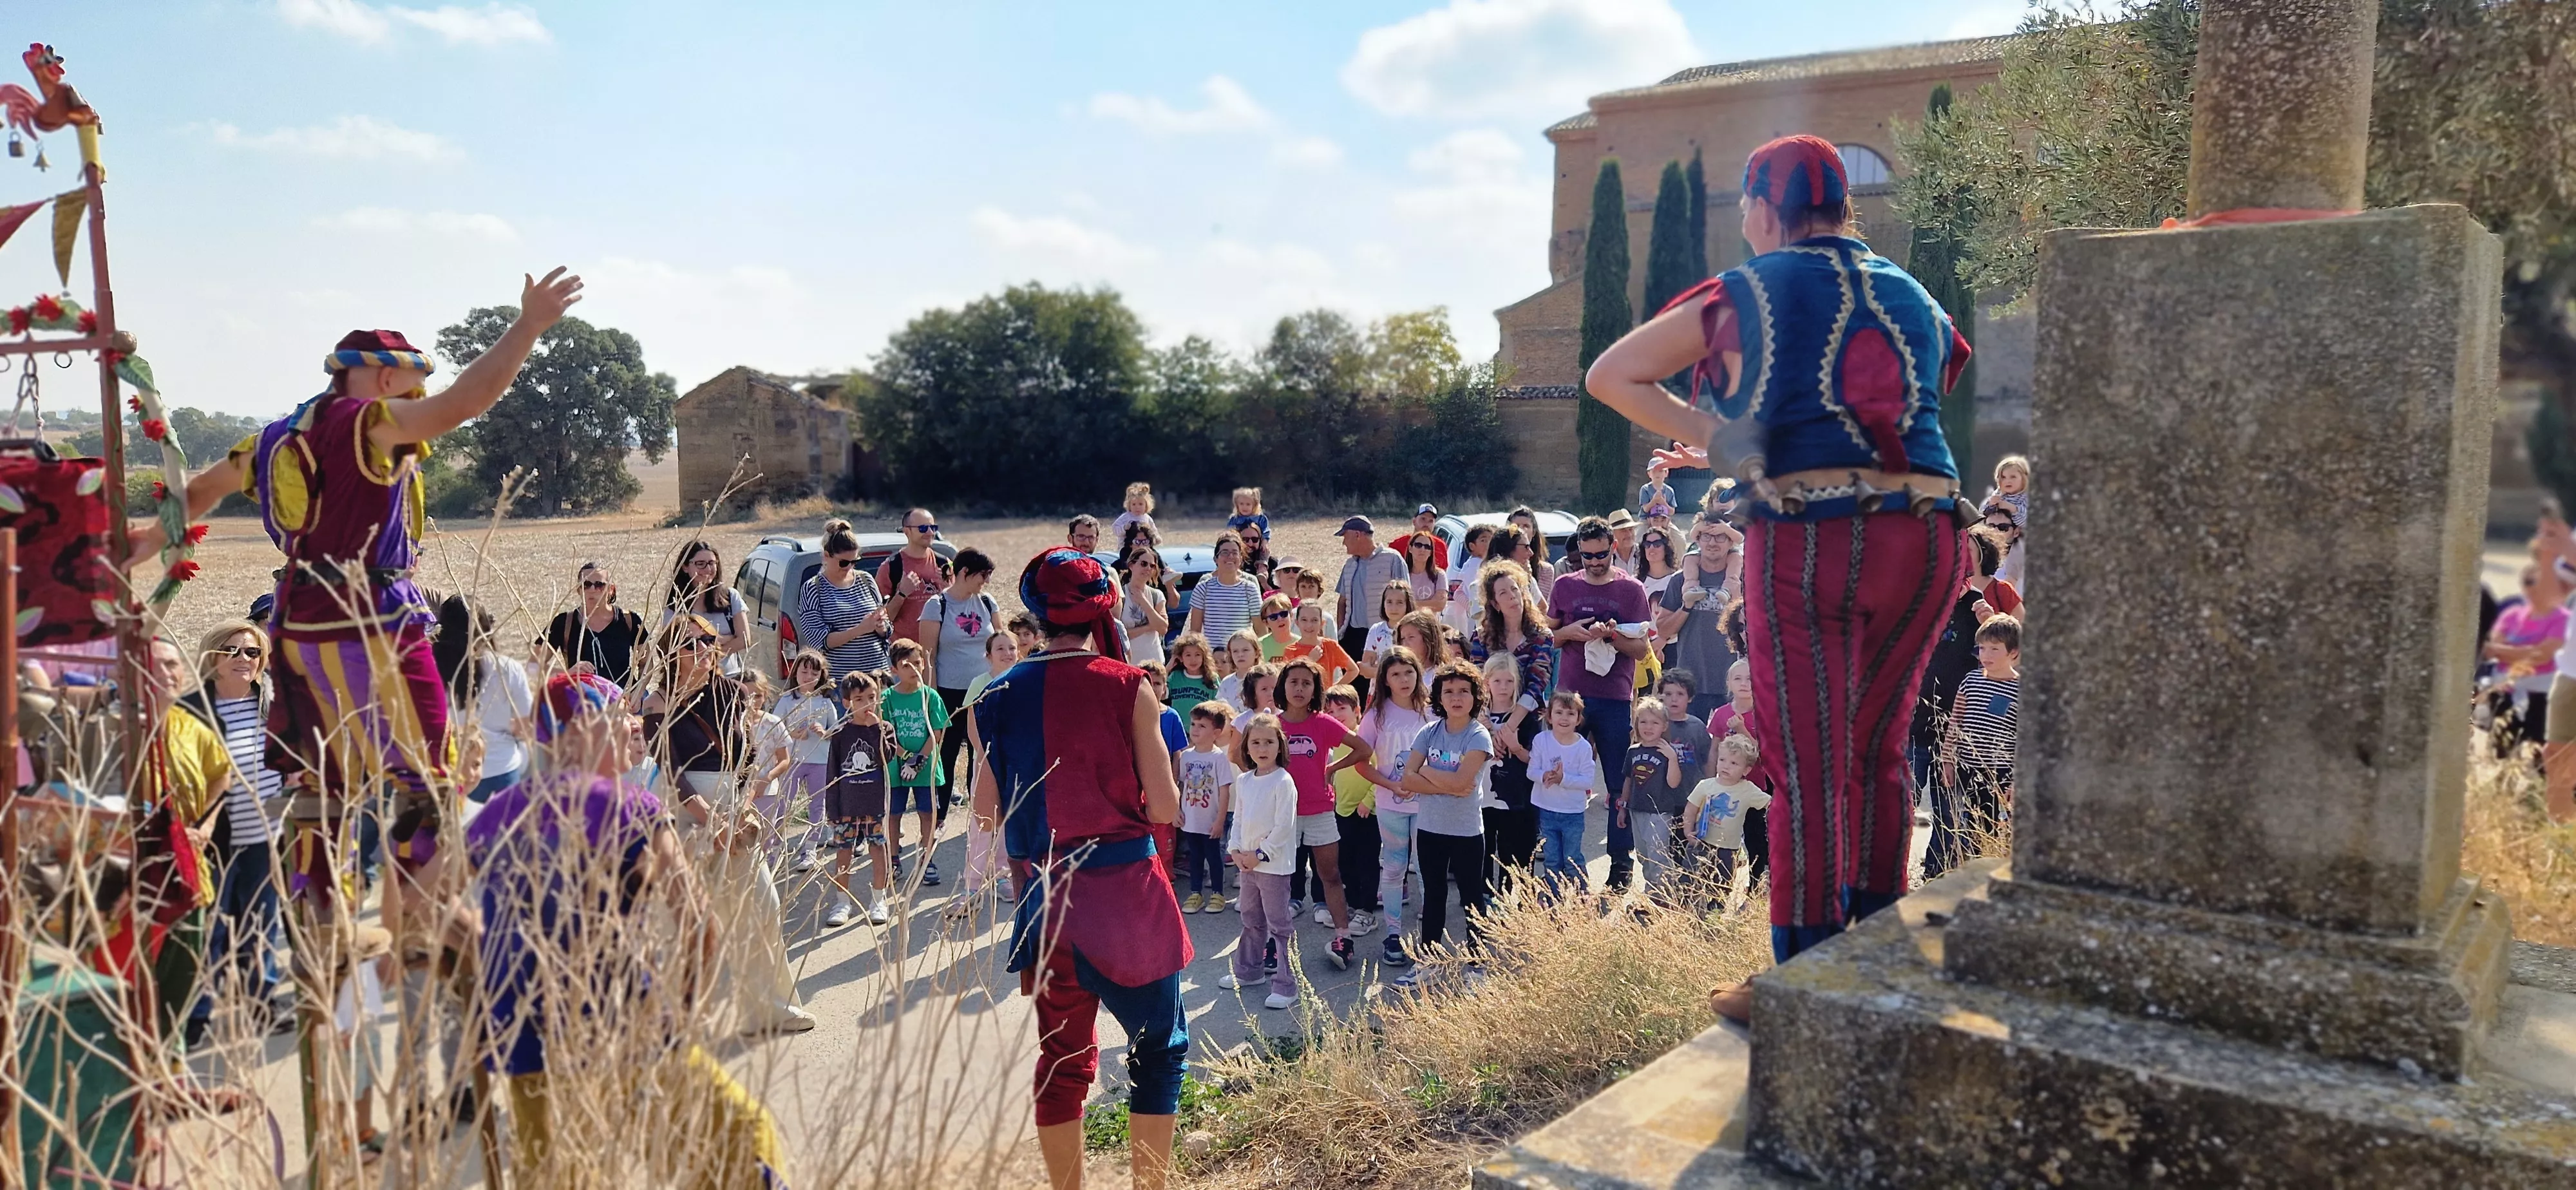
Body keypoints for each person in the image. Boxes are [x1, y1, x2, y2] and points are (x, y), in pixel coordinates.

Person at [1586, 135, 1973, 979]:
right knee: (1877, 753)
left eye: (1747, 213)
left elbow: (1613, 375)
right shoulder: (1912, 292)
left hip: (1812, 535)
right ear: (1844, 209)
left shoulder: (1754, 285)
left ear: (1764, 209)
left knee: (1805, 766)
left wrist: (1721, 437)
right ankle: (1876, 956)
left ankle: (1805, 978)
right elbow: (1911, 391)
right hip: (1930, 533)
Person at [134, 271, 583, 946]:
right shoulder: (370, 424)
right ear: (383, 379)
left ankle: (325, 924)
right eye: (411, 387)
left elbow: (199, 492)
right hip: (373, 622)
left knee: (321, 782)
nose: (416, 401)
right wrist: (528, 326)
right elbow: (467, 402)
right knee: (427, 780)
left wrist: (144, 543)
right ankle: (432, 924)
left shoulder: (274, 438)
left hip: (296, 626)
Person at [469, 671, 787, 1186]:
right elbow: (698, 924)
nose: (633, 727)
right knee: (744, 1139)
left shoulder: (493, 818)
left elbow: (443, 916)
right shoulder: (631, 808)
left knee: (553, 1173)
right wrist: (681, 1017)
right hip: (621, 1024)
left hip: (523, 1041)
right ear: (579, 730)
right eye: (619, 717)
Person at [971, 548, 1188, 1190]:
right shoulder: (1127, 685)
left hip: (1046, 899)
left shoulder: (997, 694)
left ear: (1036, 613)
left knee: (1063, 1062)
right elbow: (1166, 806)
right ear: (1101, 608)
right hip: (1127, 900)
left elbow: (984, 812)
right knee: (1159, 1052)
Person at [639, 616, 816, 1035]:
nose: (702, 650)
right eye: (690, 644)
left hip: (733, 811)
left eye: (707, 641)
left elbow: (746, 756)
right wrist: (710, 819)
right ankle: (670, 1019)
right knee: (682, 921)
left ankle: (769, 1009)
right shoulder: (657, 702)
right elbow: (669, 768)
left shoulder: (732, 693)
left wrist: (744, 805)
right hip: (685, 813)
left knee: (762, 907)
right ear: (672, 653)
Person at [178, 621, 284, 1041]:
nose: (244, 659)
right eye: (233, 651)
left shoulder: (273, 703)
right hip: (212, 841)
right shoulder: (191, 710)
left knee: (261, 924)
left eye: (252, 652)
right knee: (211, 929)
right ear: (213, 658)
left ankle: (260, 1004)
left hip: (265, 837)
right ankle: (198, 1015)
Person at [1549, 517, 1654, 892]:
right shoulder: (1564, 585)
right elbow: (1548, 636)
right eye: (1586, 556)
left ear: (1613, 548)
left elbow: (1642, 649)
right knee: (1559, 778)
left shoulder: (1632, 589)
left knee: (1617, 784)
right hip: (1570, 699)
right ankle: (1558, 861)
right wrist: (1571, 633)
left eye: (1600, 555)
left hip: (1613, 698)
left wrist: (1611, 637)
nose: (1594, 562)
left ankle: (1621, 865)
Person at [1274, 657, 1372, 970]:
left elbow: (1363, 749)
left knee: (1330, 874)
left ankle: (1343, 938)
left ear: (1316, 689)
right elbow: (1242, 754)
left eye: (1307, 683)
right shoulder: (1273, 724)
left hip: (1319, 810)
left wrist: (1333, 767)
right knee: (1277, 880)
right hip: (1283, 814)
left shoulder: (1323, 723)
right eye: (1294, 682)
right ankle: (1273, 943)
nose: (1300, 688)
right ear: (1283, 686)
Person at [1396, 661, 1495, 970]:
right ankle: (1428, 961)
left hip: (1466, 832)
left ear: (1475, 696)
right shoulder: (1429, 732)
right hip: (1430, 828)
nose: (1456, 698)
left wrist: (1426, 772)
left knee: (1471, 898)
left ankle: (1477, 964)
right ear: (1439, 697)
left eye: (1464, 691)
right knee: (1434, 895)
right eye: (1449, 691)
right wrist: (1445, 782)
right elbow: (1408, 779)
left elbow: (1463, 782)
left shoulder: (1478, 736)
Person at [1912, 526, 2015, 799]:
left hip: (1954, 729)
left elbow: (1996, 652)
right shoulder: (1918, 598)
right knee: (1902, 804)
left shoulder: (1974, 601)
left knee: (1948, 813)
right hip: (1914, 724)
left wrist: (1988, 622)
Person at [1219, 713, 1300, 1011]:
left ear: (1280, 745)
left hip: (1273, 867)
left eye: (1269, 742)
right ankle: (1249, 971)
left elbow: (1283, 827)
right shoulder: (1244, 781)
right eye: (1255, 742)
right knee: (1251, 918)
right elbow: (1239, 819)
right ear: (1247, 747)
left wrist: (1260, 854)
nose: (1262, 748)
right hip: (1247, 865)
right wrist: (1236, 850)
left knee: (1279, 924)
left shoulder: (1284, 781)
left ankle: (1287, 984)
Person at [1933, 614, 2022, 880]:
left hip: (1998, 774)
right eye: (1982, 648)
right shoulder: (1971, 680)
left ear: (2013, 653)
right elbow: (1955, 722)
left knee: (1988, 829)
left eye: (1995, 649)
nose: (1986, 655)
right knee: (1957, 826)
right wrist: (1947, 760)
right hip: (1965, 767)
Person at [1358, 648, 1430, 960]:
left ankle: (1430, 934)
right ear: (1385, 680)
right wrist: (1390, 784)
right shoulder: (1376, 716)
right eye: (1396, 674)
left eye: (1409, 672)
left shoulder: (1432, 711)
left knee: (1427, 867)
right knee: (1394, 867)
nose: (1404, 680)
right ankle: (1393, 935)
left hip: (1428, 805)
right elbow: (1361, 763)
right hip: (1391, 804)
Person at [919, 547, 998, 824]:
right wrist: (931, 699)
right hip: (949, 693)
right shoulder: (937, 605)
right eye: (983, 575)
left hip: (985, 692)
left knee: (982, 754)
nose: (986, 582)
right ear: (965, 572)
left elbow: (1000, 645)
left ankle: (980, 815)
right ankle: (938, 818)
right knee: (947, 754)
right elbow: (928, 657)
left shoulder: (987, 603)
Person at [439, 594, 535, 805]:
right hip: (502, 768)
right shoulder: (508, 669)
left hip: (450, 769)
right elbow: (527, 725)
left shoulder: (432, 670)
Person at [821, 671, 894, 927]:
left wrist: (875, 729)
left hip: (875, 803)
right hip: (847, 805)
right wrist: (832, 809)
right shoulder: (841, 732)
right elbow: (832, 772)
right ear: (847, 703)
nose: (867, 704)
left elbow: (887, 757)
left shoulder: (885, 728)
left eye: (872, 697)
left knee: (878, 849)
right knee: (844, 851)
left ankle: (879, 900)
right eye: (860, 699)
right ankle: (843, 902)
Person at [880, 638, 951, 887]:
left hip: (926, 767)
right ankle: (893, 860)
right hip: (896, 768)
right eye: (906, 665)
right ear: (894, 669)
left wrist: (919, 759)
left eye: (917, 663)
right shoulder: (887, 698)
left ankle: (926, 859)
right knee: (894, 814)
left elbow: (937, 731)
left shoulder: (931, 696)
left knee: (928, 813)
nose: (914, 669)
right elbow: (885, 733)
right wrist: (905, 757)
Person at [795, 519, 895, 681]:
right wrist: (860, 629)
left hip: (878, 677)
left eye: (854, 562)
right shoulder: (813, 589)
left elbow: (887, 630)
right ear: (826, 556)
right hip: (841, 682)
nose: (849, 567)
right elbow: (818, 641)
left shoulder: (866, 580)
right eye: (843, 562)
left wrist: (881, 626)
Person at [2487, 562, 2566, 750]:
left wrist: (2509, 651)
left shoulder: (2563, 618)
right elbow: (2491, 650)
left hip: (2541, 691)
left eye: (2540, 583)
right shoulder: (2510, 615)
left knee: (2539, 746)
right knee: (2502, 746)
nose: (2533, 588)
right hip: (2505, 688)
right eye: (2528, 582)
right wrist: (2530, 651)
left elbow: (2544, 655)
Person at [1526, 692, 1598, 896]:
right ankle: (1554, 898)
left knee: (1572, 858)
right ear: (1549, 717)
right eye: (1559, 713)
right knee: (1552, 859)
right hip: (1546, 810)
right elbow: (1531, 771)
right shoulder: (1542, 740)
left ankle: (1582, 897)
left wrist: (1562, 779)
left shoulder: (1583, 747)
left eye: (1570, 713)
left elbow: (1587, 781)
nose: (1564, 718)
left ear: (1579, 719)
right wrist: (1544, 775)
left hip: (1573, 813)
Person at [1323, 685, 1381, 938]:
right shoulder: (1332, 742)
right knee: (1345, 862)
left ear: (1357, 710)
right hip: (1341, 811)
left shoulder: (1365, 738)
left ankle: (1367, 911)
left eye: (1342, 709)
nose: (1337, 715)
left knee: (1367, 863)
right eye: (1331, 711)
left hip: (1368, 813)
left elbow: (1381, 772)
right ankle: (1355, 906)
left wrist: (1369, 801)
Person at [1685, 734, 1772, 902]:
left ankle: (1715, 913)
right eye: (1722, 760)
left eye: (1734, 763)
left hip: (1728, 850)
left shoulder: (1748, 790)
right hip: (1701, 843)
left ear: (1746, 770)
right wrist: (1688, 832)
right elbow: (1691, 809)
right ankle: (1692, 912)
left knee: (1721, 888)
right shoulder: (1706, 785)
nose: (1726, 766)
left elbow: (1770, 804)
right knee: (1691, 883)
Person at [774, 653, 840, 873]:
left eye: (814, 672)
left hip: (820, 761)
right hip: (792, 761)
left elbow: (836, 731)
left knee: (818, 804)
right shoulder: (787, 700)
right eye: (804, 671)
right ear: (795, 673)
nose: (809, 676)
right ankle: (775, 848)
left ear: (822, 676)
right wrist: (791, 734)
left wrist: (824, 732)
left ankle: (810, 849)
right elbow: (775, 728)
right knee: (783, 804)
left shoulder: (826, 702)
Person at [1481, 654, 1542, 881]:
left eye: (1509, 681)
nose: (1504, 687)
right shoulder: (1477, 716)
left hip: (1516, 798)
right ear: (1487, 682)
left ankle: (1512, 896)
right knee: (1483, 851)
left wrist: (1515, 748)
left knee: (1513, 854)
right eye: (1497, 681)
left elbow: (1535, 760)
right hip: (1483, 797)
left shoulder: (1526, 718)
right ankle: (1484, 893)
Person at [1469, 560, 1557, 718]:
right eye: (1503, 593)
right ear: (1495, 604)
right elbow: (1477, 680)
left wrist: (1510, 726)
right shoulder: (1481, 637)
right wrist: (1486, 720)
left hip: (1527, 718)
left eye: (1515, 589)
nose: (1512, 596)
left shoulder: (1543, 637)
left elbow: (1537, 683)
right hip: (1488, 716)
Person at [1625, 696, 1691, 898]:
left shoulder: (1667, 752)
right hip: (1636, 808)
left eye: (1655, 722)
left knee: (1658, 854)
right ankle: (1653, 889)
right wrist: (1622, 806)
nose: (1648, 727)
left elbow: (1674, 782)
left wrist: (1672, 758)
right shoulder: (1633, 751)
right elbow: (1629, 779)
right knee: (1643, 854)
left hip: (1660, 811)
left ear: (1664, 726)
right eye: (1643, 722)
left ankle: (1662, 894)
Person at [1175, 701, 1238, 914]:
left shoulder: (1219, 758)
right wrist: (1177, 810)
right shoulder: (1186, 756)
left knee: (1214, 857)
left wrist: (1220, 820)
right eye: (1193, 724)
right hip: (1191, 819)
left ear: (1216, 733)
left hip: (1211, 821)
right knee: (1195, 857)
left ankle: (1218, 894)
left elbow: (1225, 791)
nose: (1195, 729)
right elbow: (1181, 785)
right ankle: (1196, 894)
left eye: (1202, 726)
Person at [1332, 516, 1407, 692]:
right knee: (1353, 690)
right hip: (1352, 636)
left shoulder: (1392, 559)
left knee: (1382, 686)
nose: (1344, 543)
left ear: (1357, 535)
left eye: (1345, 537)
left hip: (1383, 635)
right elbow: (1342, 601)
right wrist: (1341, 632)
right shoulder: (1350, 565)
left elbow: (1406, 596)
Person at [547, 562, 649, 686]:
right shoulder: (564, 623)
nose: (592, 590)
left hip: (624, 695)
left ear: (611, 589)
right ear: (579, 590)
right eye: (586, 585)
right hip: (582, 696)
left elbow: (646, 663)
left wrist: (638, 691)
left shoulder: (629, 620)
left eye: (599, 585)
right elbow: (533, 667)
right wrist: (567, 674)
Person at [663, 540, 752, 675]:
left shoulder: (730, 597)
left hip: (730, 677)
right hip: (691, 680)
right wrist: (723, 639)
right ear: (685, 567)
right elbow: (668, 646)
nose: (708, 569)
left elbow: (744, 640)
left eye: (712, 563)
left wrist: (710, 659)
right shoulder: (675, 603)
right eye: (701, 564)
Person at [1187, 530, 1263, 646]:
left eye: (1235, 553)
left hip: (1242, 654)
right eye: (1225, 553)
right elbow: (1195, 633)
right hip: (1212, 655)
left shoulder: (1250, 589)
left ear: (1240, 559)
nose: (1230, 556)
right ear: (1216, 559)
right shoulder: (1203, 589)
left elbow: (1261, 631)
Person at [1982, 456, 2032, 592]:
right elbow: (1982, 514)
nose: (2007, 481)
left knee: (2016, 556)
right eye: (2003, 477)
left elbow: (2025, 520)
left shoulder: (2025, 498)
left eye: (2013, 477)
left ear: (2023, 479)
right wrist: (1990, 504)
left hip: (2020, 537)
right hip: (2004, 539)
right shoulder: (1999, 493)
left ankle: (2009, 585)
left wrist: (2013, 509)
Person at [1285, 601, 1360, 690]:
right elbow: (1289, 679)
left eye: (1314, 620)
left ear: (1322, 623)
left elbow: (1354, 670)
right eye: (1304, 620)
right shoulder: (1290, 650)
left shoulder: (1330, 646)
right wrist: (1309, 661)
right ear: (1297, 623)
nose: (1309, 625)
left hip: (1325, 698)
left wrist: (1333, 690)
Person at [1122, 547, 1173, 668]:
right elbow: (1119, 634)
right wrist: (1149, 627)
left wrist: (1143, 601)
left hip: (1154, 664)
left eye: (1152, 566)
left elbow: (1163, 628)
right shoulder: (1121, 595)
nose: (1148, 569)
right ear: (1131, 565)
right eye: (1144, 564)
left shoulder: (1157, 595)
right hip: (1129, 664)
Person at [1442, 525, 1493, 636]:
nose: (1488, 543)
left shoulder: (1481, 563)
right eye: (1484, 540)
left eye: (1491, 539)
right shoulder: (1475, 564)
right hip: (1479, 616)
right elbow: (1475, 592)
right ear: (1472, 546)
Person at [1166, 634, 1218, 718]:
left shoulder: (1212, 678)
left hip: (1202, 725)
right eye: (1188, 655)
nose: (1193, 660)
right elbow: (1161, 695)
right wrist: (1167, 669)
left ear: (1204, 657)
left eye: (1197, 655)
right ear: (1180, 658)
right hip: (1178, 725)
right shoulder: (1175, 676)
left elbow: (1218, 705)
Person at [1389, 504, 1452, 572]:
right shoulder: (1397, 545)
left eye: (1431, 521)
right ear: (1414, 521)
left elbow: (1444, 571)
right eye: (1423, 519)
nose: (1427, 524)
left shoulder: (1441, 546)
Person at [1635, 524, 1684, 606]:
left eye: (1657, 544)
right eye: (1647, 544)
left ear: (1666, 548)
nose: (1651, 548)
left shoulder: (1679, 579)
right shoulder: (1637, 581)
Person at [1401, 533, 1448, 620]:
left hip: (1430, 624)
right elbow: (1398, 604)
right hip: (1407, 624)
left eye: (1427, 547)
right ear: (1410, 548)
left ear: (1430, 553)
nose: (1423, 549)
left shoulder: (1439, 575)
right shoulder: (1402, 574)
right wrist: (1430, 603)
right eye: (1418, 545)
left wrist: (1410, 604)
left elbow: (1440, 605)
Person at [1216, 631, 1264, 711]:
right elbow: (1220, 710)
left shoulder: (1264, 680)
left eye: (1245, 650)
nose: (1240, 655)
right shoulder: (1226, 683)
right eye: (1235, 651)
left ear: (1257, 653)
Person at [1110, 482, 1159, 547]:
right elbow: (1115, 528)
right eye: (1134, 504)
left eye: (1141, 504)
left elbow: (1153, 530)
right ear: (1129, 505)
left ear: (1146, 505)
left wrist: (1156, 537)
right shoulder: (1126, 517)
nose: (1137, 507)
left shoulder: (1147, 518)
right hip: (1126, 547)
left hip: (1144, 547)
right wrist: (1124, 528)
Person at [1257, 592, 1298, 659]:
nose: (1280, 619)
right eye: (1273, 617)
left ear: (1291, 615)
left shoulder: (1302, 643)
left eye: (1283, 614)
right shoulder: (1259, 646)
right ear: (1266, 623)